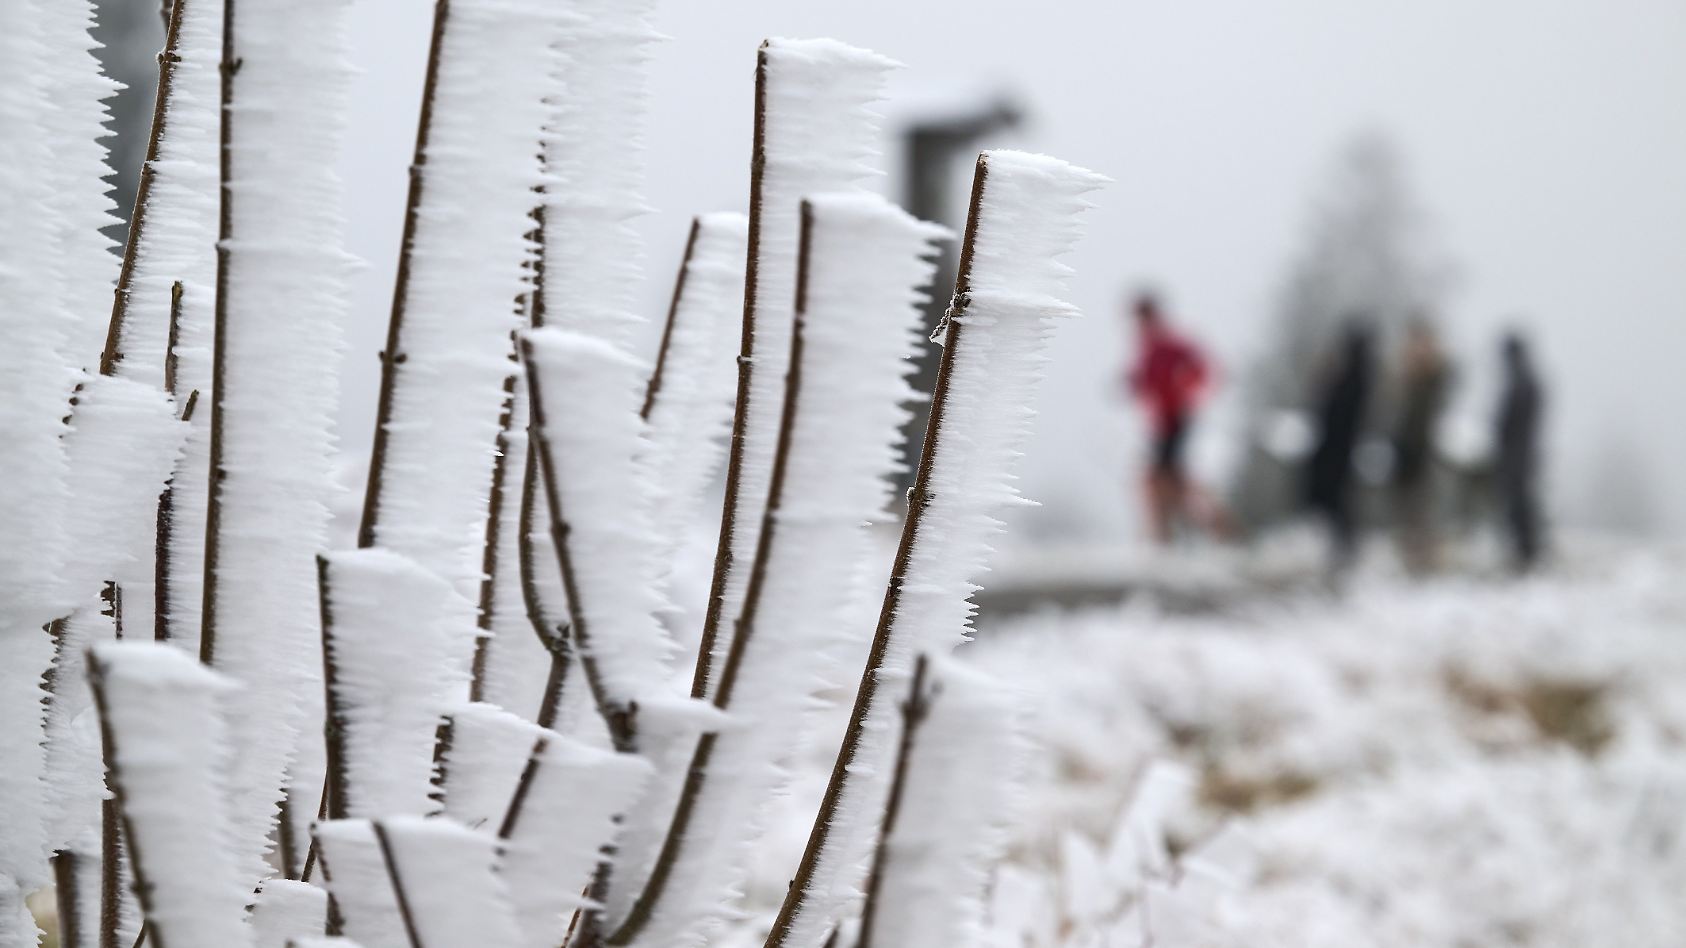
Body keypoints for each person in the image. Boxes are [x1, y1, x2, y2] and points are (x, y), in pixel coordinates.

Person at [1125, 292, 1225, 543]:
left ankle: (1203, 528)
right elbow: (1147, 381)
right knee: (1168, 479)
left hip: (1175, 418)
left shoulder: (1167, 342)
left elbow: (1200, 368)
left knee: (1163, 480)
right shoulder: (1149, 344)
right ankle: (1180, 532)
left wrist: (1182, 390)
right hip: (1164, 421)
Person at [1304, 321, 1375, 572]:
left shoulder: (1357, 376)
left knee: (1339, 498)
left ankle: (1345, 548)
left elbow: (1340, 413)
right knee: (1334, 498)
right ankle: (1341, 546)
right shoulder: (1352, 375)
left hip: (1340, 447)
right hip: (1334, 445)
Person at [1391, 318, 1452, 573]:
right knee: (1406, 503)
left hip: (1426, 448)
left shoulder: (1434, 377)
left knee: (1424, 503)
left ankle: (1427, 556)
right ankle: (1411, 555)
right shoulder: (1405, 378)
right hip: (1405, 447)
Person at [1494, 332, 1544, 570]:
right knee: (1519, 503)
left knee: (1520, 504)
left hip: (1518, 452)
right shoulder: (1524, 379)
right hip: (1520, 451)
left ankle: (1527, 553)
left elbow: (1511, 420)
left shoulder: (1522, 382)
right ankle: (1525, 551)